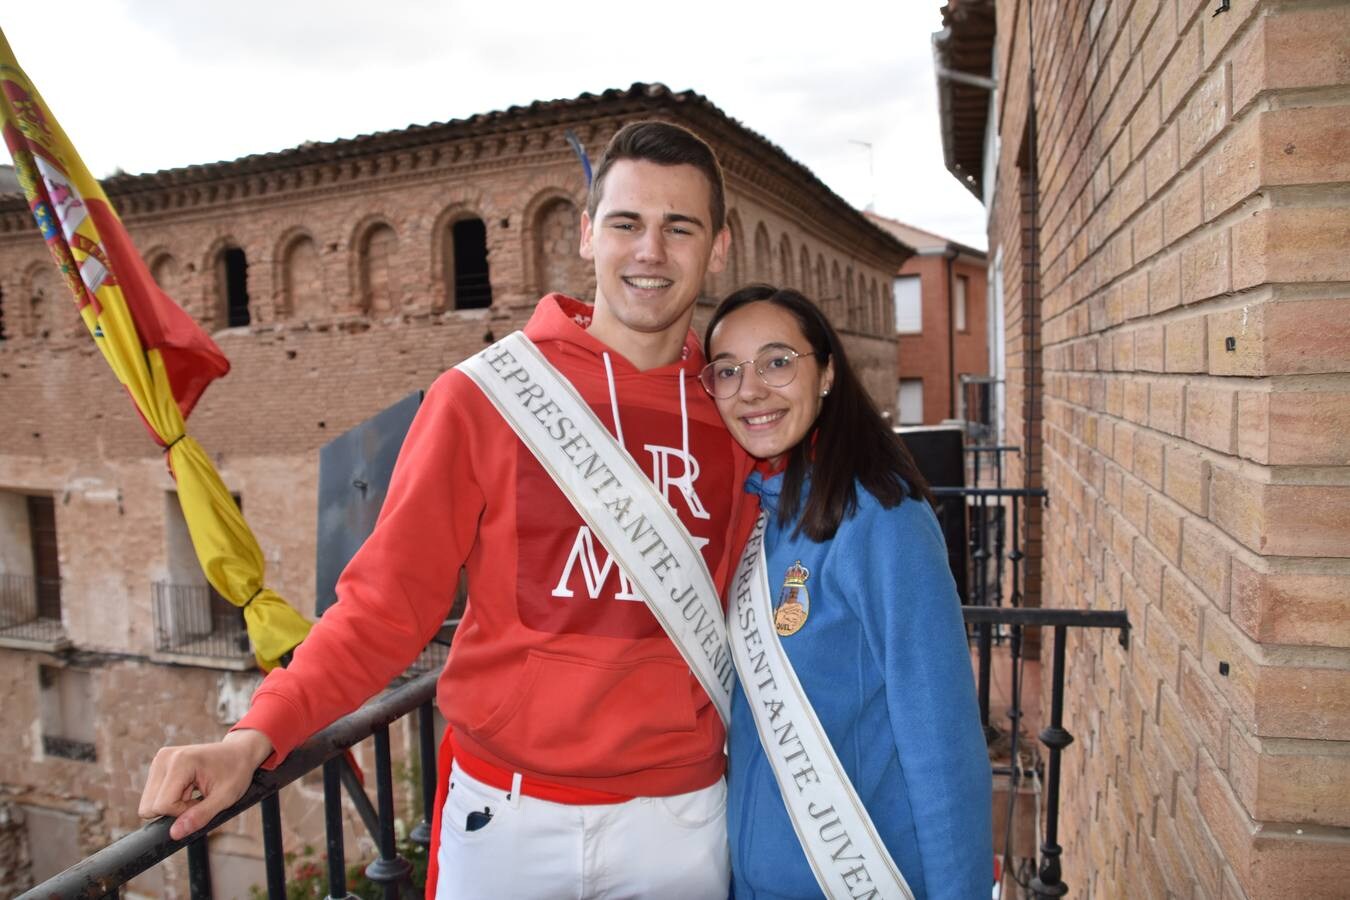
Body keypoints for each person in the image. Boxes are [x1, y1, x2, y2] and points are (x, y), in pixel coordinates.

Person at [139, 121, 758, 899]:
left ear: (720, 247)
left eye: (681, 227)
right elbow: (385, 609)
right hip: (506, 816)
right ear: (586, 233)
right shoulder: (483, 397)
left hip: (681, 818)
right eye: (627, 223)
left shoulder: (739, 418)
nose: (650, 252)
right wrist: (255, 735)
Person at [701, 285, 992, 899]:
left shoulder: (884, 519)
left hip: (857, 878)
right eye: (727, 371)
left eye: (778, 362)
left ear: (827, 371)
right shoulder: (758, 518)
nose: (750, 389)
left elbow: (943, 742)